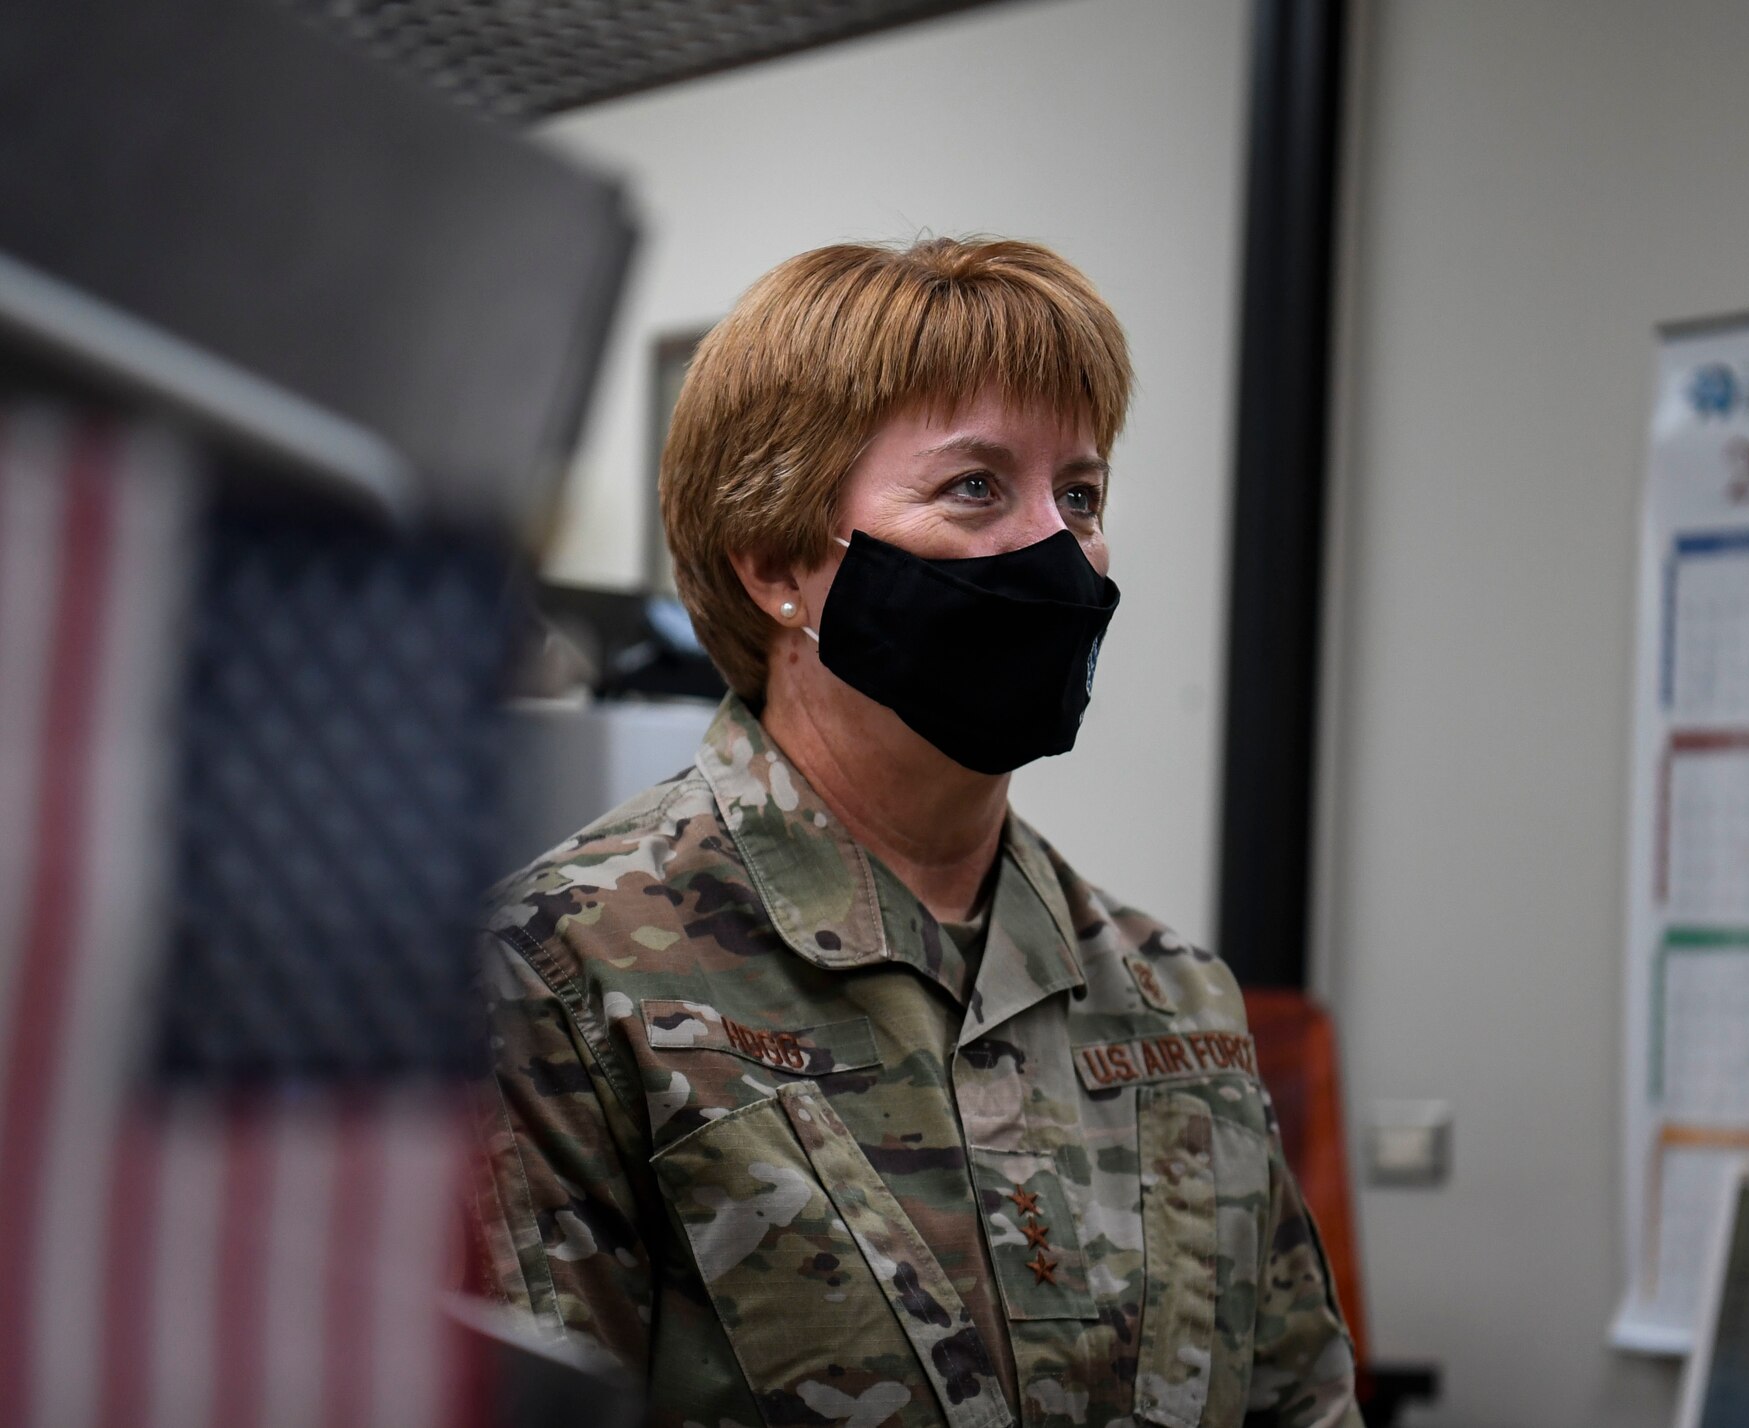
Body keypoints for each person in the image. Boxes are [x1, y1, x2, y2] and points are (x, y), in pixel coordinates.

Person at [473, 236, 1363, 1428]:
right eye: (976, 487)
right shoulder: (562, 976)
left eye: (1081, 495)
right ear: (780, 560)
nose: (1058, 551)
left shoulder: (1172, 1004)